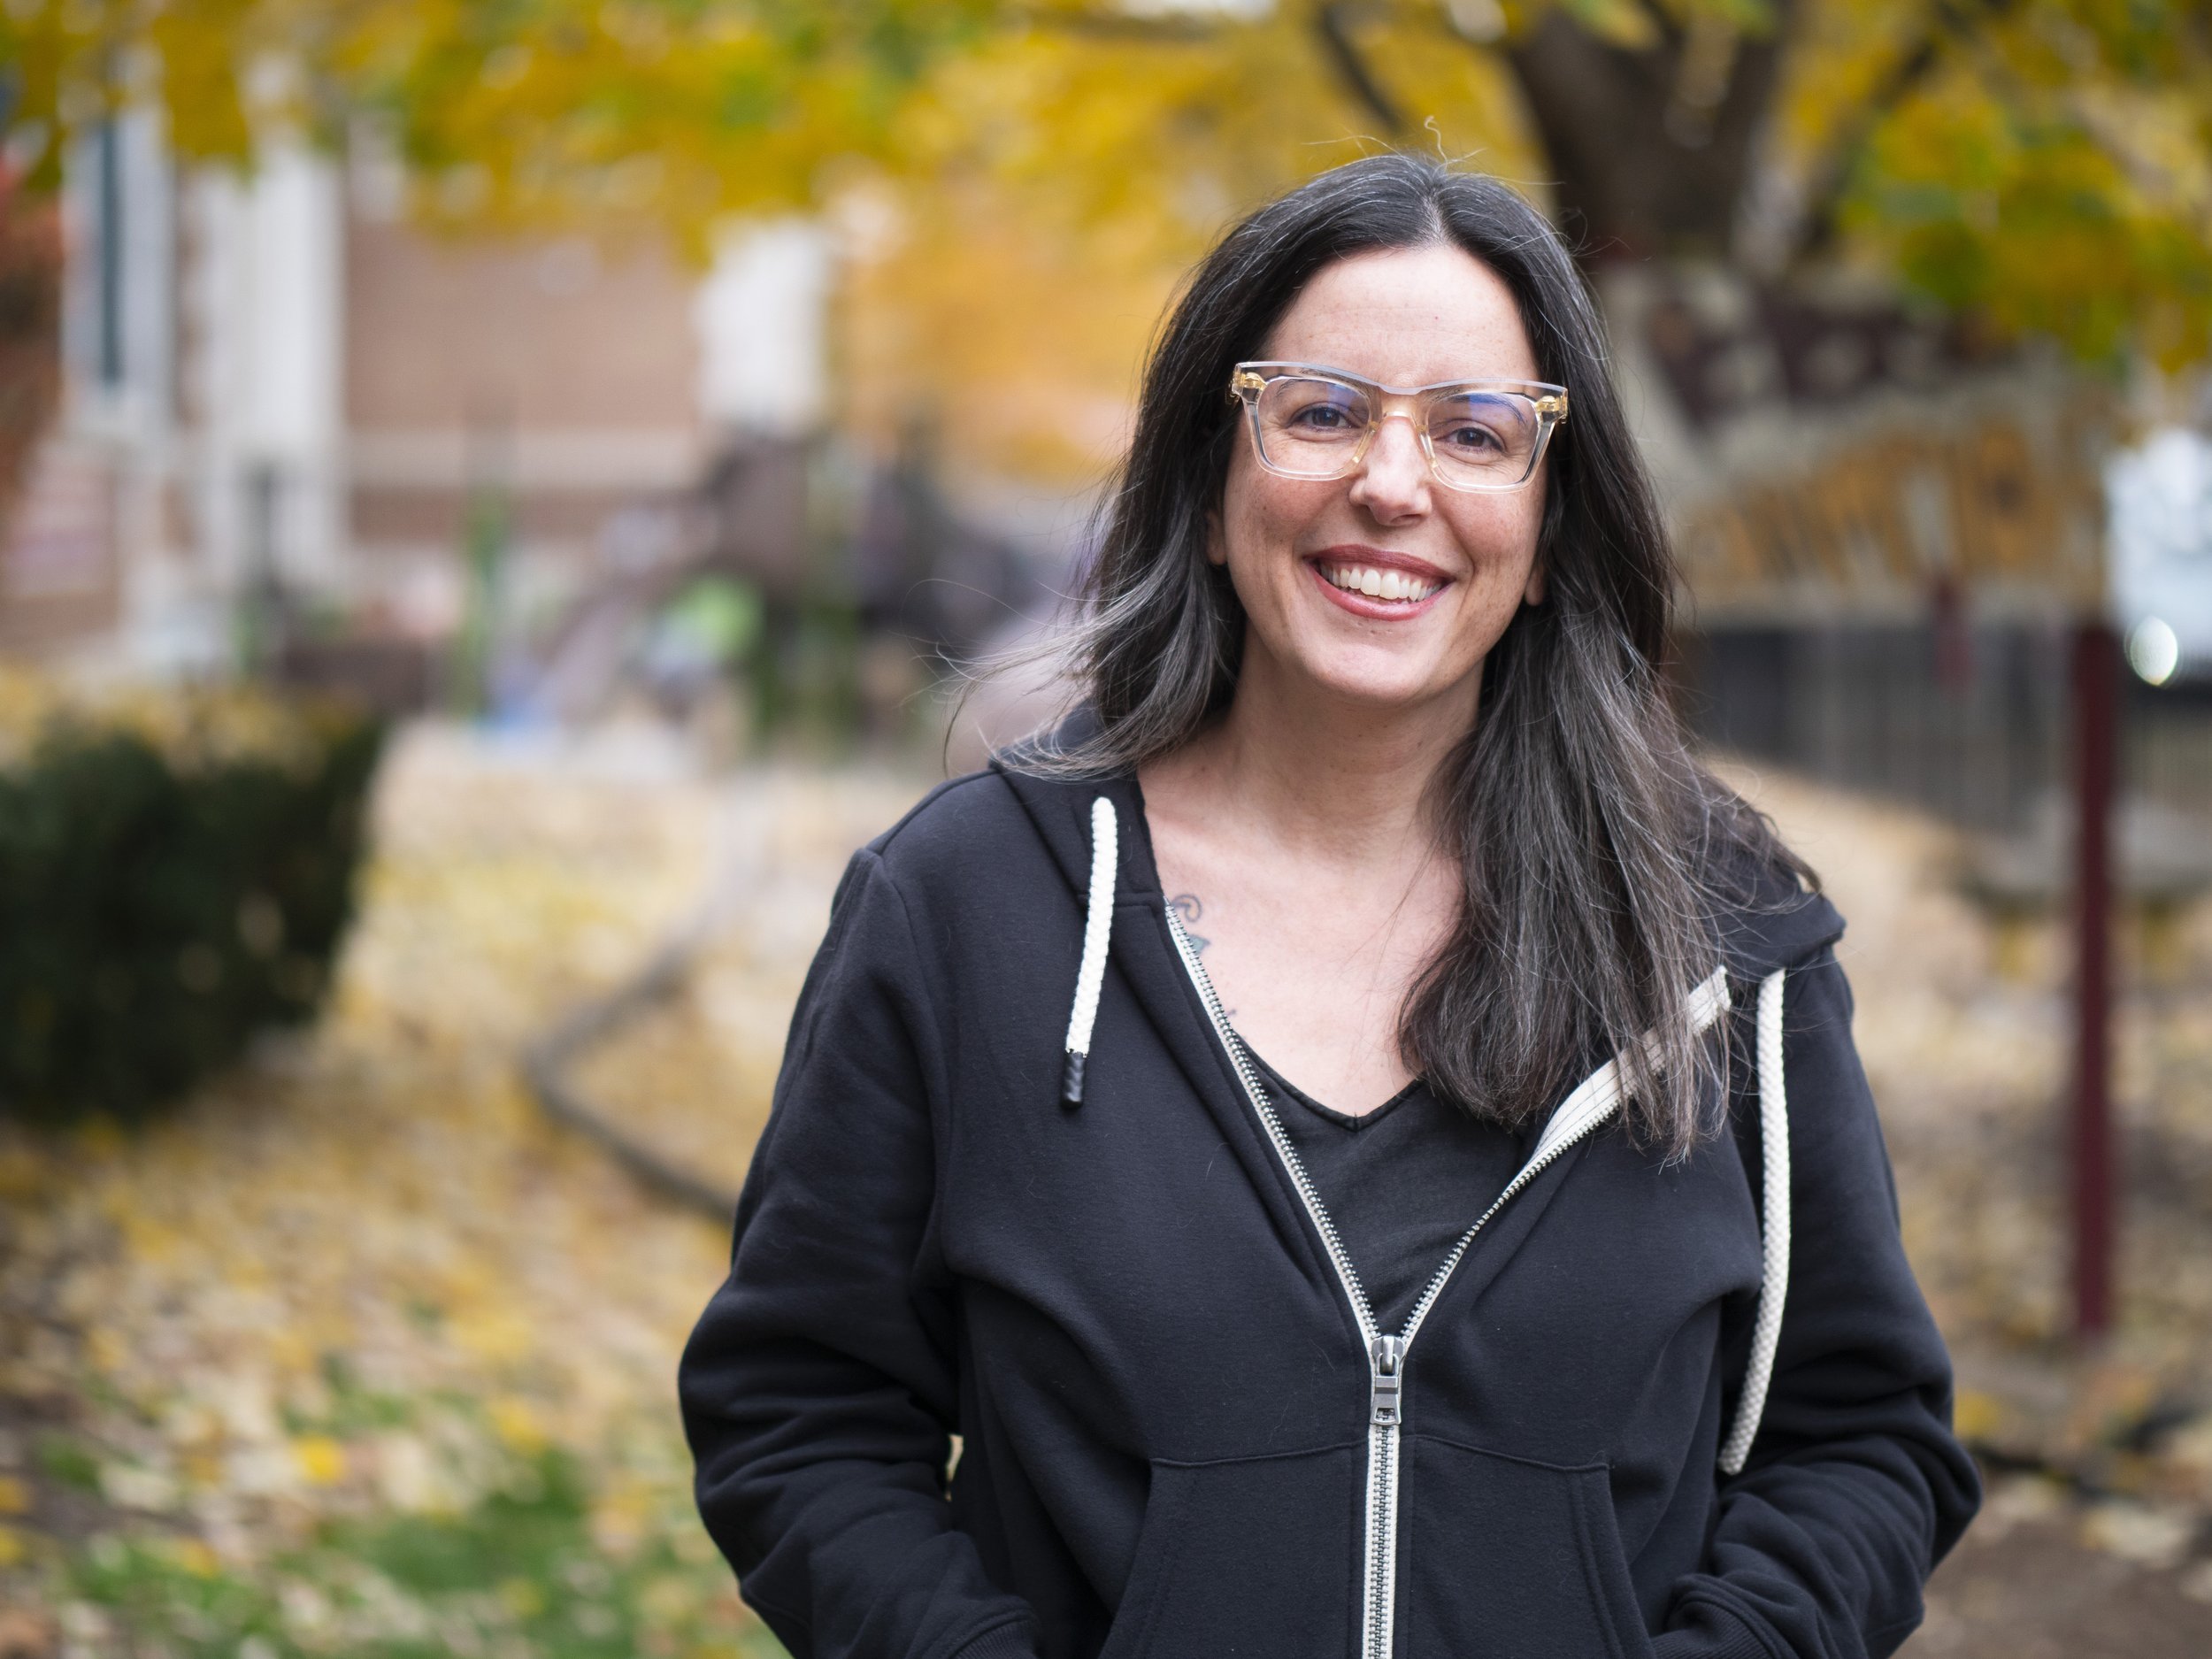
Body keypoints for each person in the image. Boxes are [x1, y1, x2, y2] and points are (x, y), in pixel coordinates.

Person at [678, 154, 1978, 1659]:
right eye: (1323, 410)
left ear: (1550, 532)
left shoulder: (1718, 939)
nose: (1393, 482)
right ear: (1214, 490)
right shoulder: (966, 911)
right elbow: (800, 1415)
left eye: (1478, 433)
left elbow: (1864, 1440)